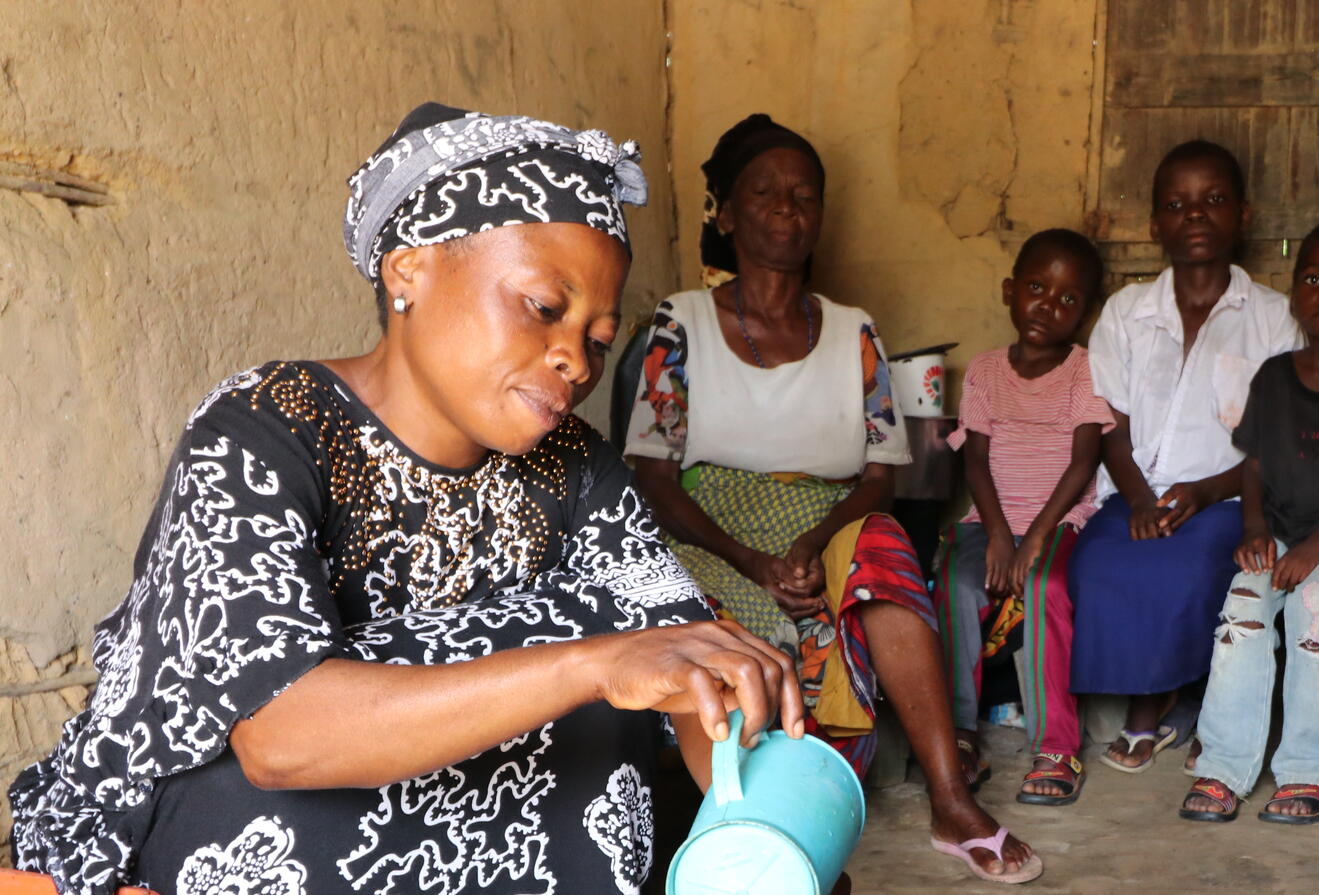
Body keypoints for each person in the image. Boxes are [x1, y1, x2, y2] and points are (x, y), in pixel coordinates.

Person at [5, 103, 803, 895]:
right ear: (408, 270)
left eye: (596, 338)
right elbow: (282, 739)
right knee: (595, 656)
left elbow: (681, 666)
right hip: (226, 817)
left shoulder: (577, 469)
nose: (575, 360)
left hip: (481, 843)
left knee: (635, 657)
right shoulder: (266, 427)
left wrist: (755, 805)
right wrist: (596, 665)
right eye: (544, 307)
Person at [625, 114, 1040, 885]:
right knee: (694, 621)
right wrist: (749, 559)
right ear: (726, 214)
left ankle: (950, 797)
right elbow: (651, 476)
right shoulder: (681, 324)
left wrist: (815, 541)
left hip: (828, 518)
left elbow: (881, 474)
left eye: (804, 195)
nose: (788, 208)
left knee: (882, 543)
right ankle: (759, 825)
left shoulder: (855, 332)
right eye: (765, 192)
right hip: (712, 530)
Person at [1072, 140, 1304, 773]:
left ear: (1244, 216)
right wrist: (1142, 500)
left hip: (1230, 495)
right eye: (1176, 204)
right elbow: (1107, 423)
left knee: (1195, 565)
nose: (1195, 215)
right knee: (1096, 566)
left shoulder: (1273, 318)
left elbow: (1277, 437)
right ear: (1155, 225)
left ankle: (1156, 709)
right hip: (1134, 492)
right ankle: (1161, 690)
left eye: (1214, 200)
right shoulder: (1127, 312)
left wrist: (1203, 493)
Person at [1176, 218, 1319, 825]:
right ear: (1296, 292)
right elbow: (1254, 464)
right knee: (1243, 613)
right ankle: (1224, 766)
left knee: (1315, 611)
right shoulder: (1275, 377)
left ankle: (1310, 767)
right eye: (1313, 278)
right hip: (1279, 529)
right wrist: (1255, 530)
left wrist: (1315, 551)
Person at [933, 229, 1112, 808]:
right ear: (1010, 291)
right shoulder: (986, 372)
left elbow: (1084, 461)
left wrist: (1035, 536)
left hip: (1058, 520)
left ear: (1086, 311)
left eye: (1067, 299)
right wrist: (994, 534)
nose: (1048, 306)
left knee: (1046, 586)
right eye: (1036, 287)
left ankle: (1057, 744)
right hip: (989, 520)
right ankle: (959, 733)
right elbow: (976, 462)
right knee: (955, 586)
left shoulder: (1086, 371)